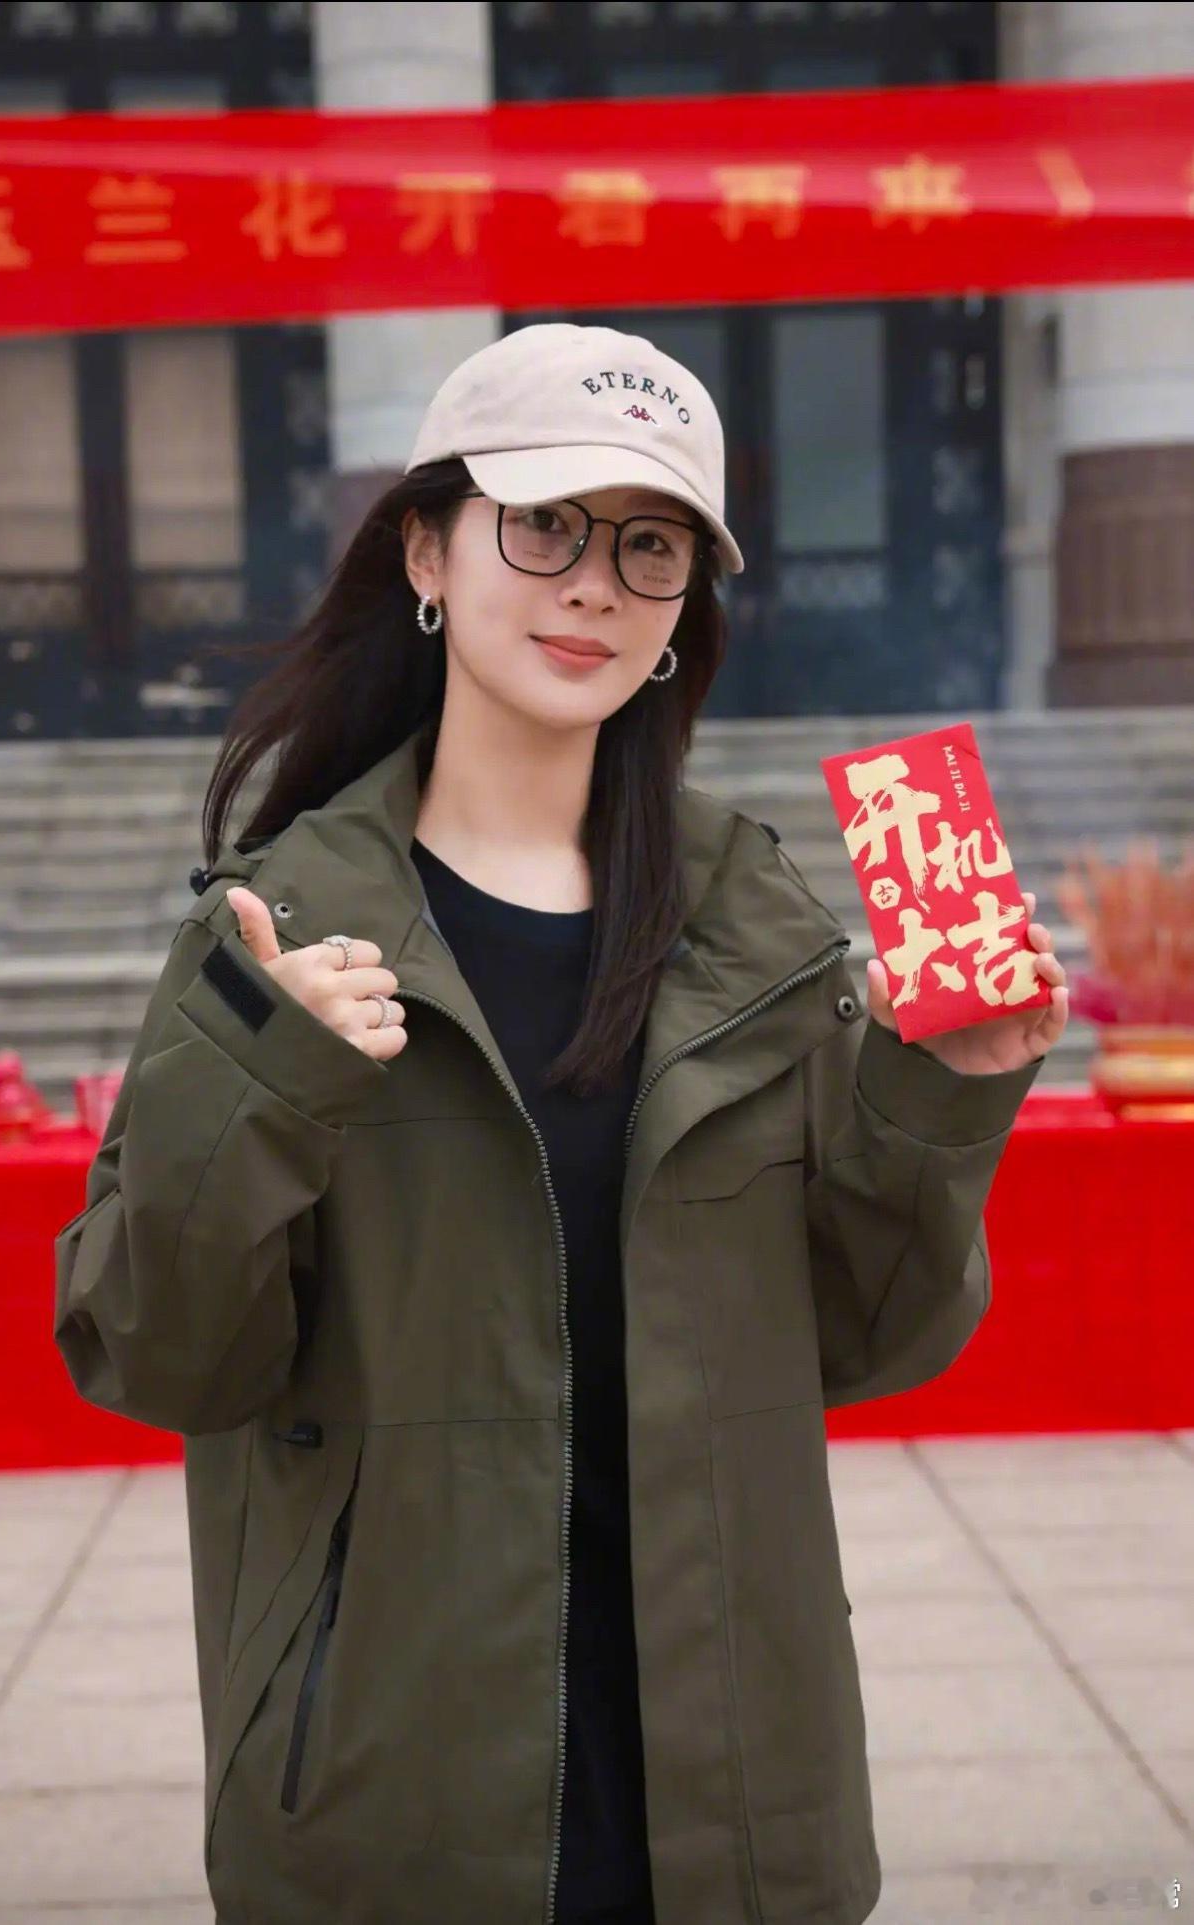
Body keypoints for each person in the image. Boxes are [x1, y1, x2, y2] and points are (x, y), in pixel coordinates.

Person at [53, 322, 1068, 1925]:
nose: (594, 584)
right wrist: (261, 1084)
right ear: (427, 551)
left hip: (734, 1792)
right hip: (396, 1796)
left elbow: (873, 1332)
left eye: (649, 546)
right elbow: (159, 1349)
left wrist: (936, 1095)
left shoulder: (755, 932)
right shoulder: (278, 935)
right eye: (545, 525)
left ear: (683, 609)